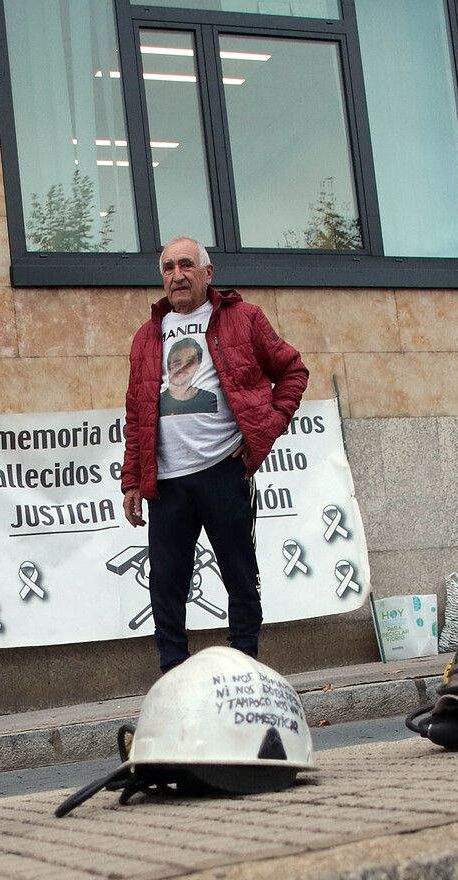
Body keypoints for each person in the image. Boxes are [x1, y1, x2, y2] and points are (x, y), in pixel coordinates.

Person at [121, 236, 310, 672]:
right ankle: (174, 675)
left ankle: (246, 667)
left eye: (187, 265)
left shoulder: (243, 319)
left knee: (240, 576)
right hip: (167, 484)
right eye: (168, 267)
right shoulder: (148, 336)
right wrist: (132, 479)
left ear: (208, 273)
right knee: (166, 586)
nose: (177, 275)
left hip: (223, 472)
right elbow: (136, 410)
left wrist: (266, 428)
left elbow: (292, 371)